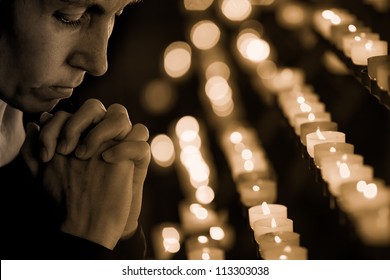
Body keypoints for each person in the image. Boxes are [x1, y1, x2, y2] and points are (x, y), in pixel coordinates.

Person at [0, 0, 151, 259]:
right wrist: (88, 241)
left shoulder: (55, 144)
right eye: (70, 17)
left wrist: (120, 231)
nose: (99, 63)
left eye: (117, 14)